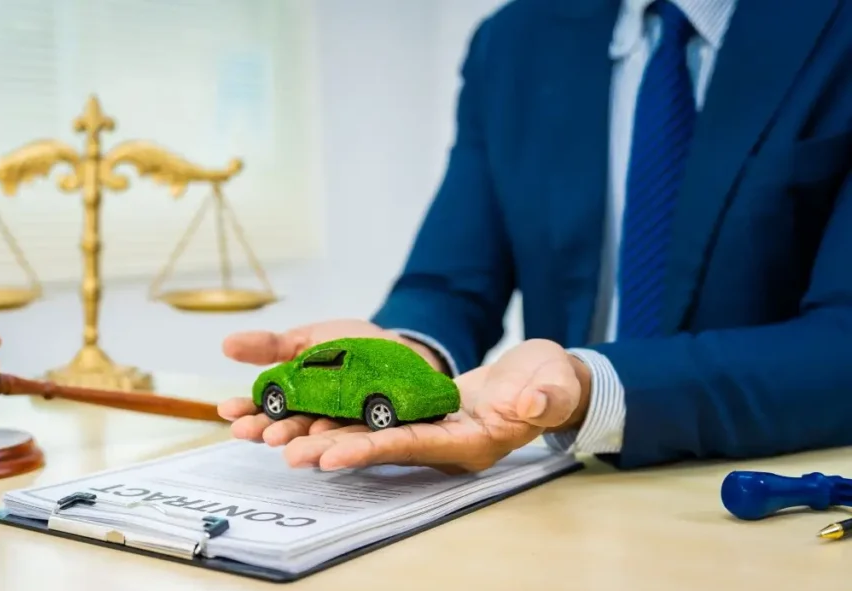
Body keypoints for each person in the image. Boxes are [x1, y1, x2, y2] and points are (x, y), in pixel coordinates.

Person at [217, 0, 852, 473]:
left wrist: (592, 386)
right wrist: (408, 353)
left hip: (764, 489)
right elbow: (452, 281)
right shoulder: (513, 42)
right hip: (550, 486)